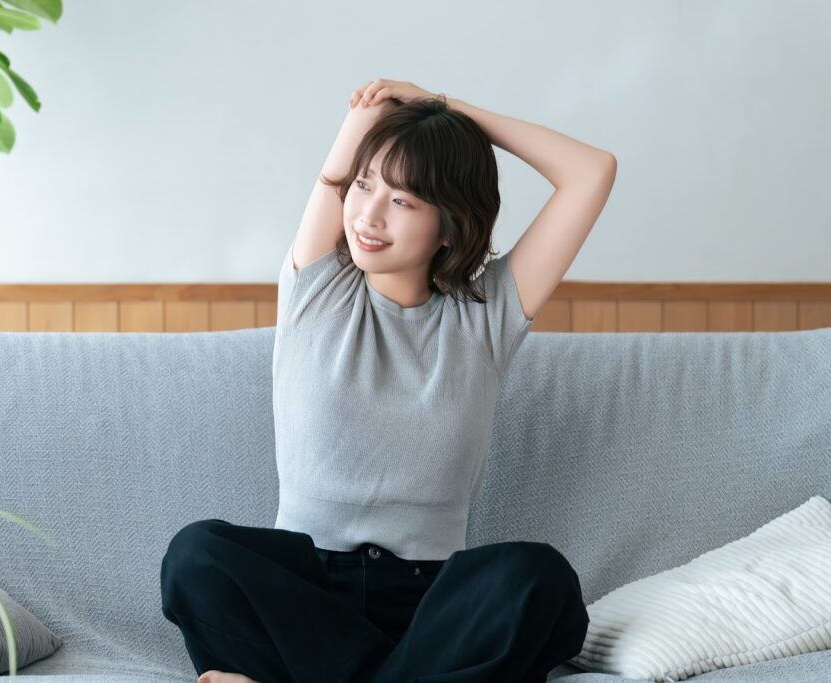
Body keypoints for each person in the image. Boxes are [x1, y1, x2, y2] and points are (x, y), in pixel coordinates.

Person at [161, 78, 617, 683]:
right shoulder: (315, 286)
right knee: (198, 556)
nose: (369, 215)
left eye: (404, 202)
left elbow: (592, 171)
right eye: (364, 186)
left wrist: (449, 110)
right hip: (307, 596)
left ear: (450, 225)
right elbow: (369, 109)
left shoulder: (487, 314)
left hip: (431, 604)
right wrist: (413, 114)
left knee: (539, 580)